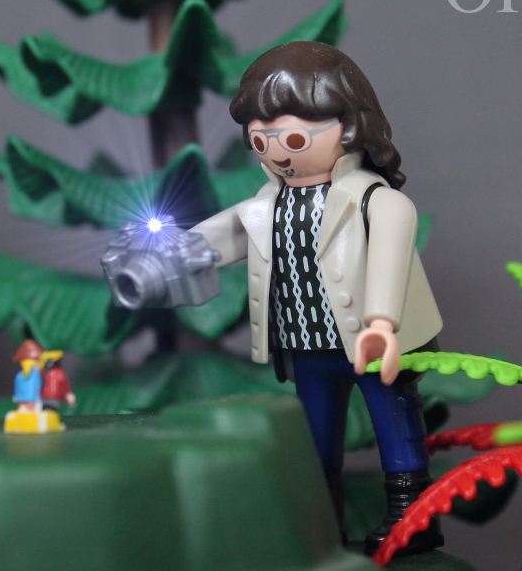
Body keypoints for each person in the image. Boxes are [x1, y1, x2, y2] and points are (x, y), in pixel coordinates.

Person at [190, 40, 444, 556]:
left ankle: (412, 518)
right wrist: (175, 250)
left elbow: (390, 261)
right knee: (315, 437)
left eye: (292, 138)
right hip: (305, 344)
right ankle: (322, 525)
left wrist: (382, 322)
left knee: (395, 423)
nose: (276, 153)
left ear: (349, 127)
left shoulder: (378, 201)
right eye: (260, 141)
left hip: (369, 344)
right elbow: (224, 236)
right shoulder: (269, 204)